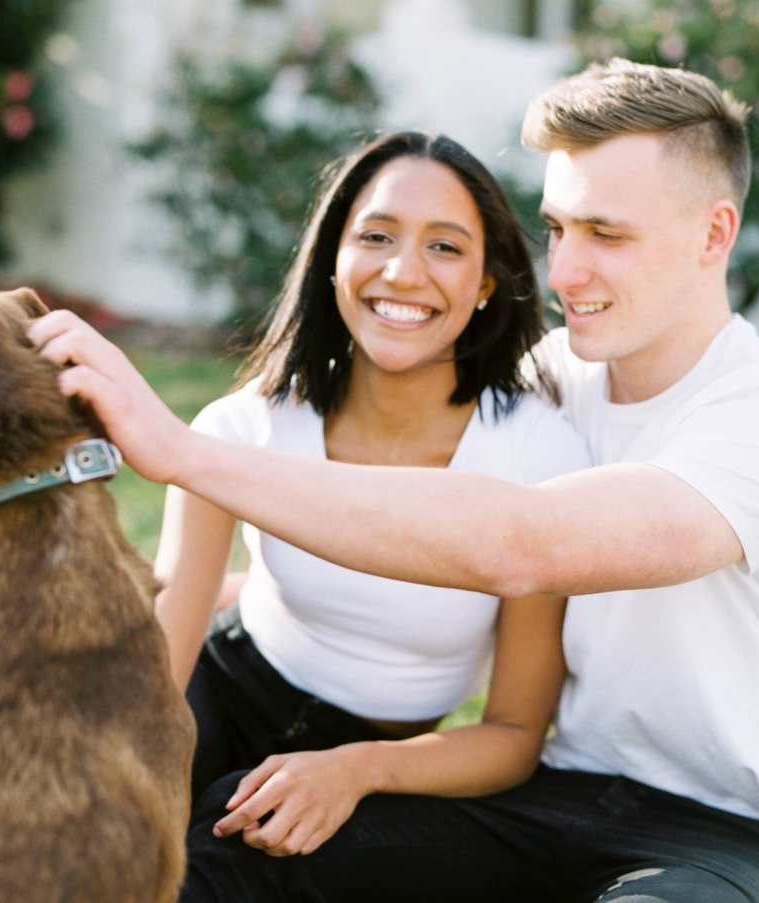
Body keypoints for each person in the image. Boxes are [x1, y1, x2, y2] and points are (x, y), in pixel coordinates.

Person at [31, 59, 759, 903]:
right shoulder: (557, 377)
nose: (567, 273)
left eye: (607, 235)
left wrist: (186, 454)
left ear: (714, 234)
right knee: (239, 849)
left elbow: (523, 542)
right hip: (546, 799)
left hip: (729, 834)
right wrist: (254, 578)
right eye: (559, 228)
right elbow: (405, 476)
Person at [152, 131, 590, 846]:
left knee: (217, 860)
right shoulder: (244, 425)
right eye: (376, 235)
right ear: (333, 258)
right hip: (222, 685)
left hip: (382, 757)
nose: (402, 271)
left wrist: (357, 769)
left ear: (485, 282)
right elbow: (161, 664)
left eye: (445, 247)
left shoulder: (539, 455)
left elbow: (512, 737)